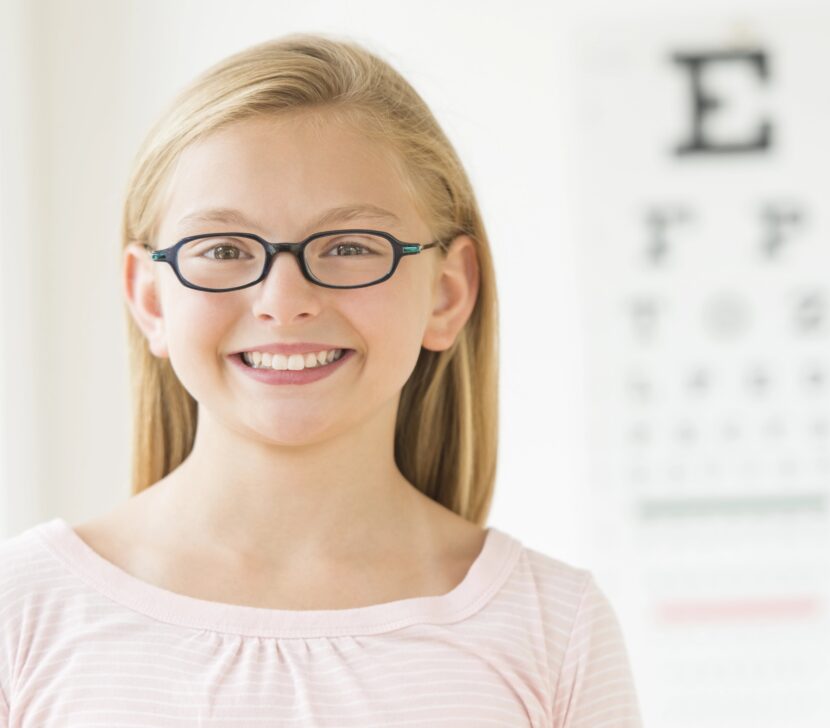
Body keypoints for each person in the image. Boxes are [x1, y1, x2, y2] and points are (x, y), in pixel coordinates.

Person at [0, 32, 642, 726]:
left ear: (447, 293)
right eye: (222, 248)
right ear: (151, 299)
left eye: (347, 247)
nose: (284, 299)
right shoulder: (22, 610)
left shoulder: (553, 629)